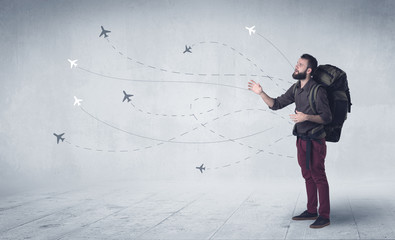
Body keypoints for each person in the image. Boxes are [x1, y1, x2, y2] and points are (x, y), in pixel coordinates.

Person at [248, 54, 332, 229]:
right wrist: (261, 93)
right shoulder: (296, 88)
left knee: (318, 176)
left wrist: (306, 117)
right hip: (301, 139)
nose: (296, 66)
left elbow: (327, 117)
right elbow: (276, 104)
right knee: (307, 175)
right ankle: (311, 211)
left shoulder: (318, 90)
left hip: (315, 141)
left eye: (300, 64)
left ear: (309, 70)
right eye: (297, 63)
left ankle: (324, 216)